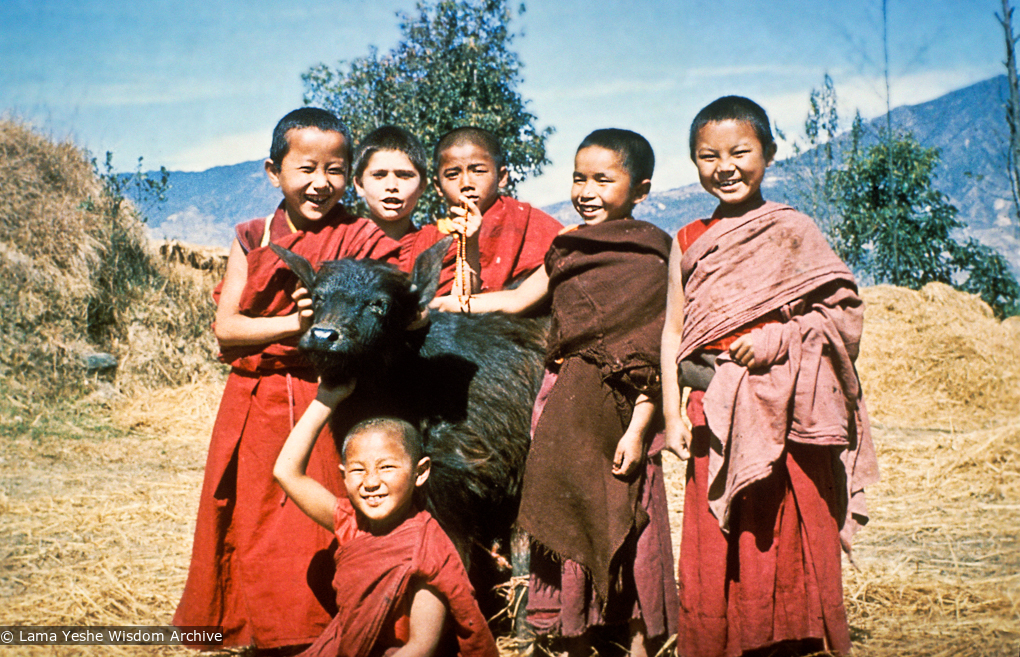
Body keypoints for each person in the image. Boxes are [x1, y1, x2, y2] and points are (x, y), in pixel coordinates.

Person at [432, 129, 678, 657]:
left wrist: (639, 428)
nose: (586, 191)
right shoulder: (566, 245)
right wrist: (463, 307)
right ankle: (573, 635)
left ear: (641, 188)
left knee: (632, 517)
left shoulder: (654, 253)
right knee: (565, 516)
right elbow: (521, 300)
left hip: (627, 406)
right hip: (564, 402)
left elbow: (653, 347)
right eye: (577, 178)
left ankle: (638, 642)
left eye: (602, 180)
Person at [174, 108, 407, 652]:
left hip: (327, 396)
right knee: (251, 522)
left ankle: (323, 636)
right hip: (254, 399)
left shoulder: (362, 237)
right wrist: (298, 323)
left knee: (314, 525)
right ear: (273, 171)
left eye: (335, 169)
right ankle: (259, 633)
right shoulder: (252, 234)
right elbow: (228, 330)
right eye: (306, 168)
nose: (321, 183)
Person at [660, 96, 880, 657]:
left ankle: (788, 640)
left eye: (740, 151)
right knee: (720, 534)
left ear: (770, 153)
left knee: (785, 528)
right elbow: (672, 332)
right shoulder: (686, 240)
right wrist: (669, 412)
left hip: (787, 407)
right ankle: (722, 641)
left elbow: (842, 316)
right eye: (708, 156)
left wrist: (778, 338)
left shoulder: (792, 231)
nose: (725, 166)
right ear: (694, 162)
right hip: (713, 405)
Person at [272, 383, 500, 657]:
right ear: (343, 476)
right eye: (358, 470)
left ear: (421, 472)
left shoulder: (428, 549)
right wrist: (325, 400)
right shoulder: (350, 523)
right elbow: (287, 472)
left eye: (387, 467)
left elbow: (421, 646)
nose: (371, 482)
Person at [407, 126, 563, 295]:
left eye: (479, 171)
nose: (466, 183)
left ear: (502, 177)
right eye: (453, 174)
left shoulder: (531, 225)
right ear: (438, 186)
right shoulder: (427, 239)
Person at [349, 125, 431, 272]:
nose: (392, 186)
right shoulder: (345, 246)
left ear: (422, 186)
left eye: (404, 175)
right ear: (359, 185)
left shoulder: (434, 246)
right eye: (379, 175)